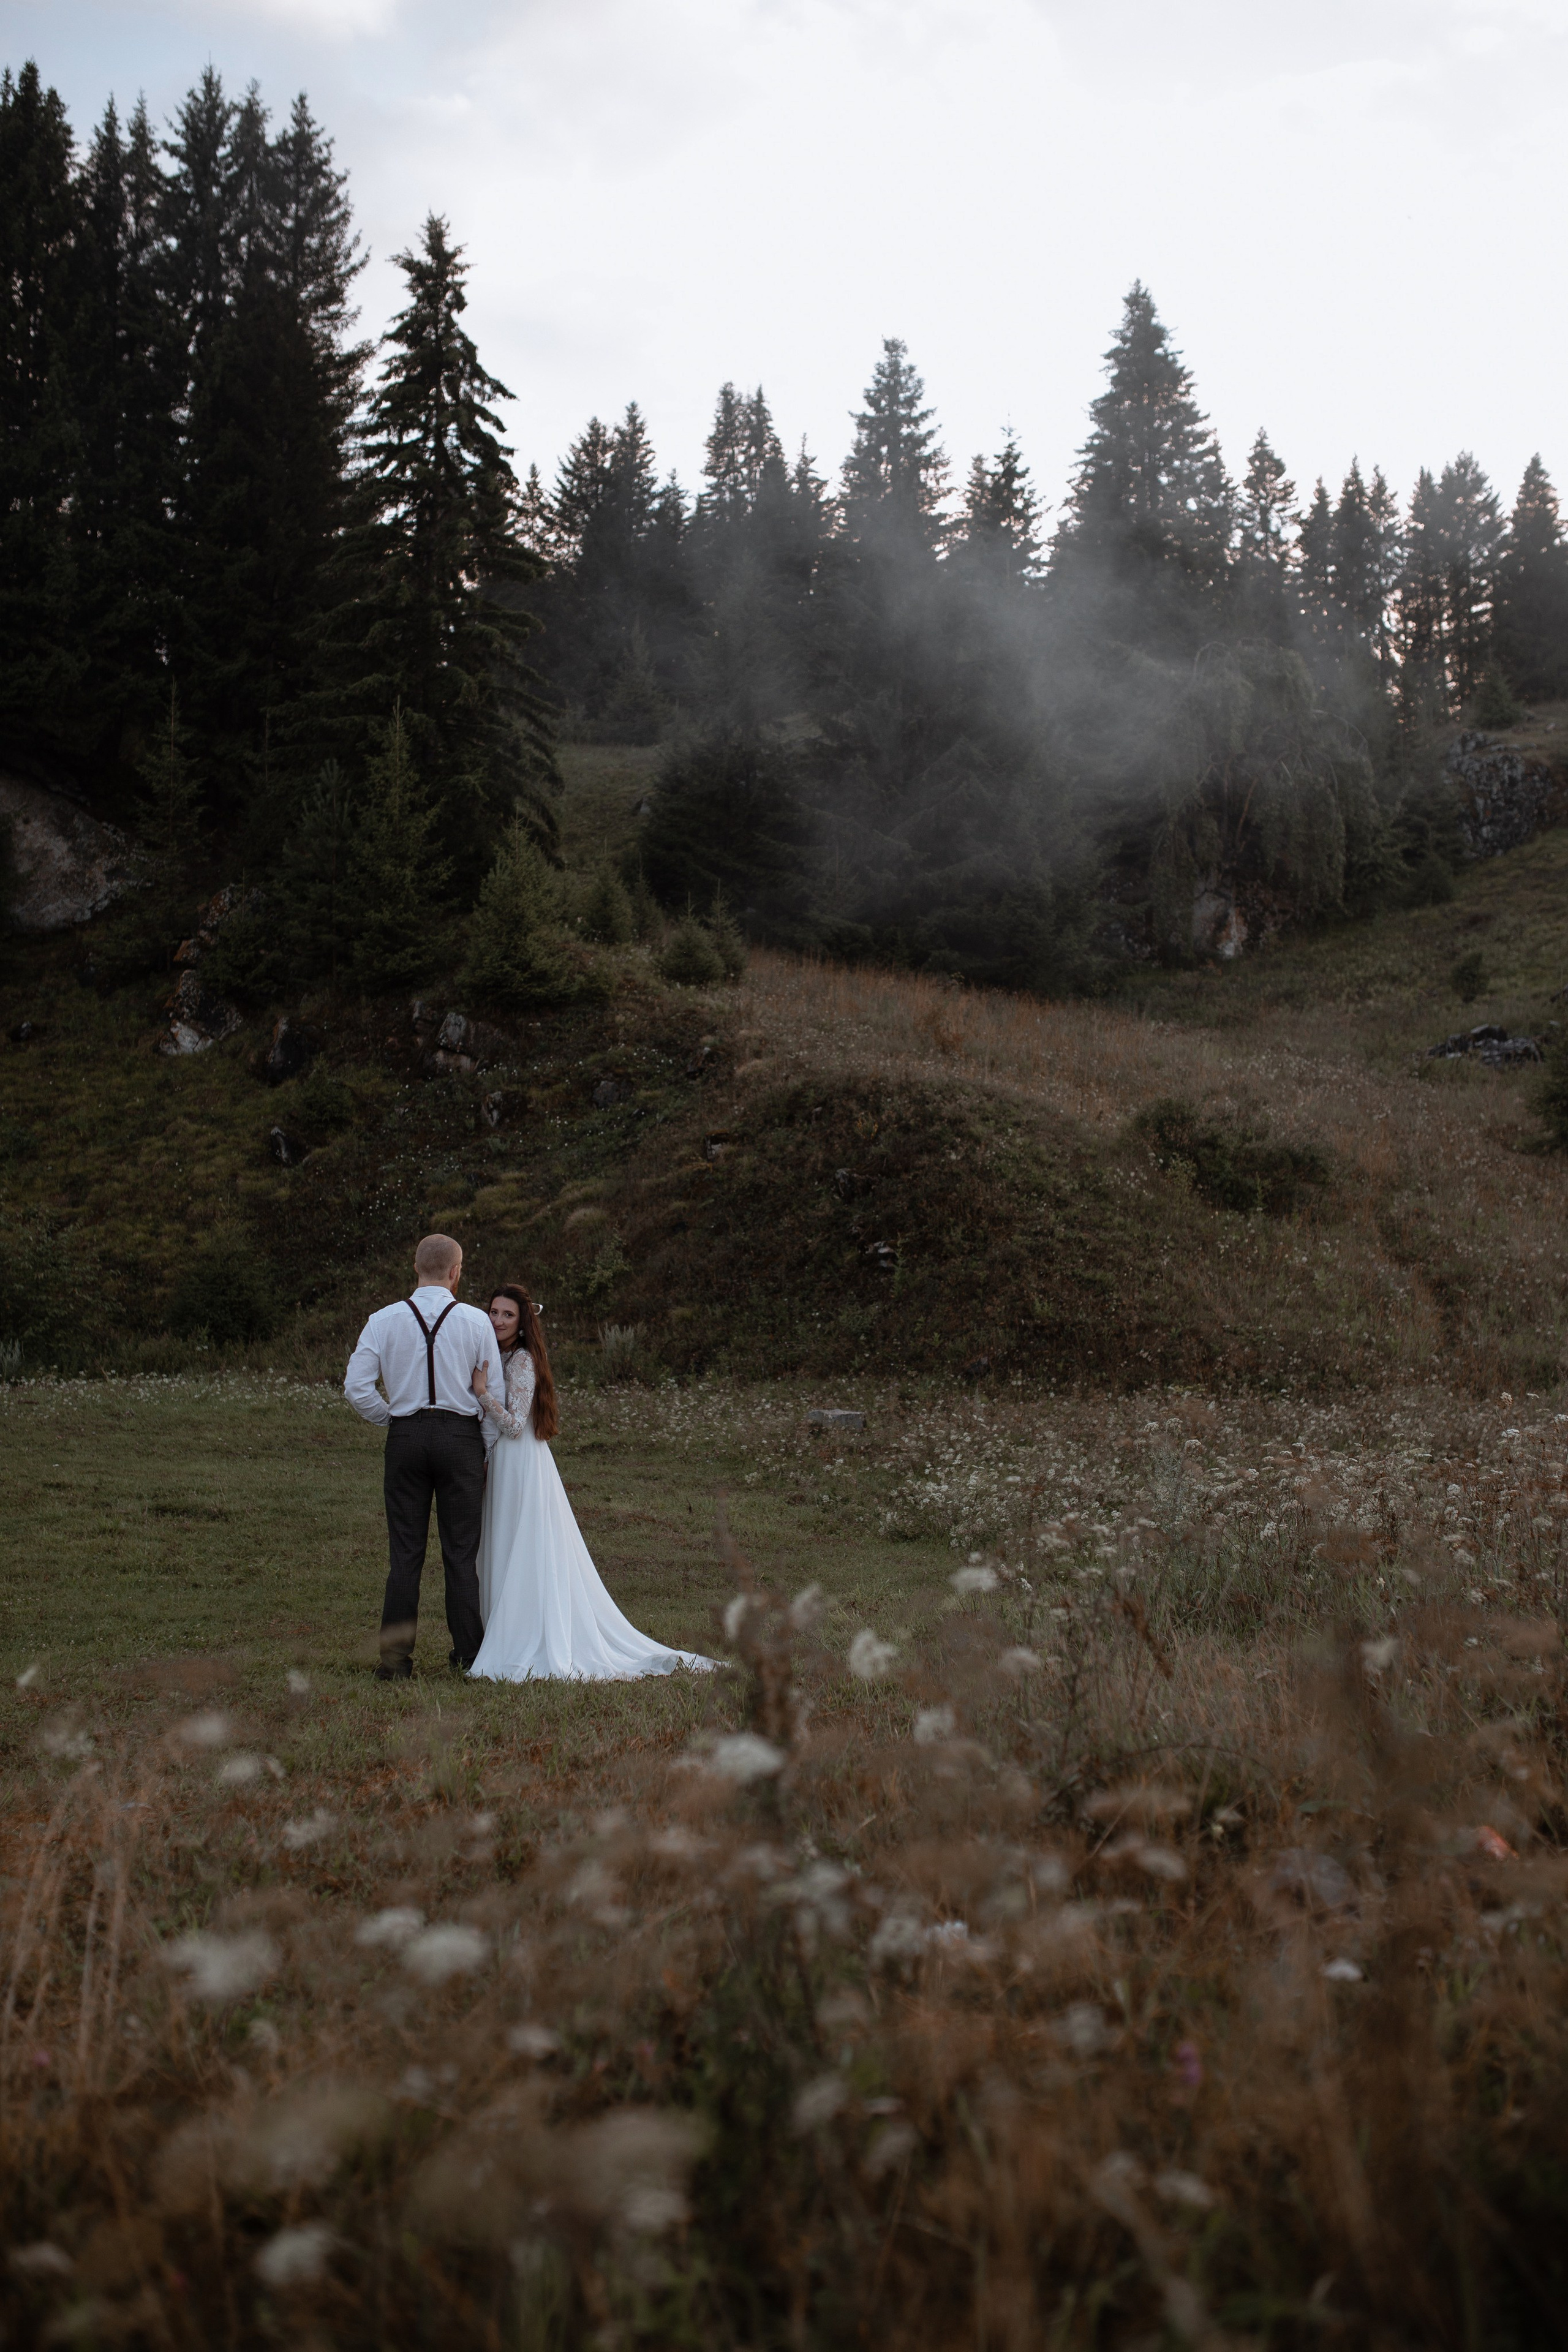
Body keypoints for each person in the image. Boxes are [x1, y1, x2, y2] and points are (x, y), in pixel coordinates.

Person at [467, 1282, 713, 1681]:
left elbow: (514, 1426)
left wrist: (481, 1394)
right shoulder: (499, 1354)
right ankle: (498, 1628)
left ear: (523, 1321)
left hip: (521, 1463)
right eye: (494, 1312)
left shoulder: (524, 1360)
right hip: (503, 1463)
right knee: (503, 1542)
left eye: (507, 1314)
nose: (498, 1320)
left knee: (523, 1545)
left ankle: (525, 1634)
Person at [344, 1233, 505, 1679]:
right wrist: (485, 1449)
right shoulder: (476, 1322)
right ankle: (469, 1658)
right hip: (460, 1441)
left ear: (416, 1268)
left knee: (406, 1555)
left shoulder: (383, 1319)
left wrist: (394, 1418)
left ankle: (395, 1664)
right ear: (456, 1272)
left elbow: (357, 1388)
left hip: (406, 1439)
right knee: (460, 1553)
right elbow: (495, 1393)